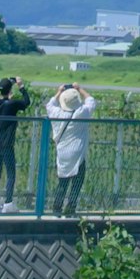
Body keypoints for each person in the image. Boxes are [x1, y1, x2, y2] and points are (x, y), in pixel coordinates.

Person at [46, 77, 94, 216]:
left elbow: (49, 105)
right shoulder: (82, 113)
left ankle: (56, 208)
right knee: (77, 181)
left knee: (63, 181)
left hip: (62, 151)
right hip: (78, 152)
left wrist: (58, 92)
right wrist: (79, 89)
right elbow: (91, 101)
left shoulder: (57, 113)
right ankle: (71, 207)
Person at [0, 76, 26, 209]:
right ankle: (8, 203)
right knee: (11, 174)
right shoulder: (12, 104)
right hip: (7, 144)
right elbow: (26, 102)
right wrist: (21, 86)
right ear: (10, 90)